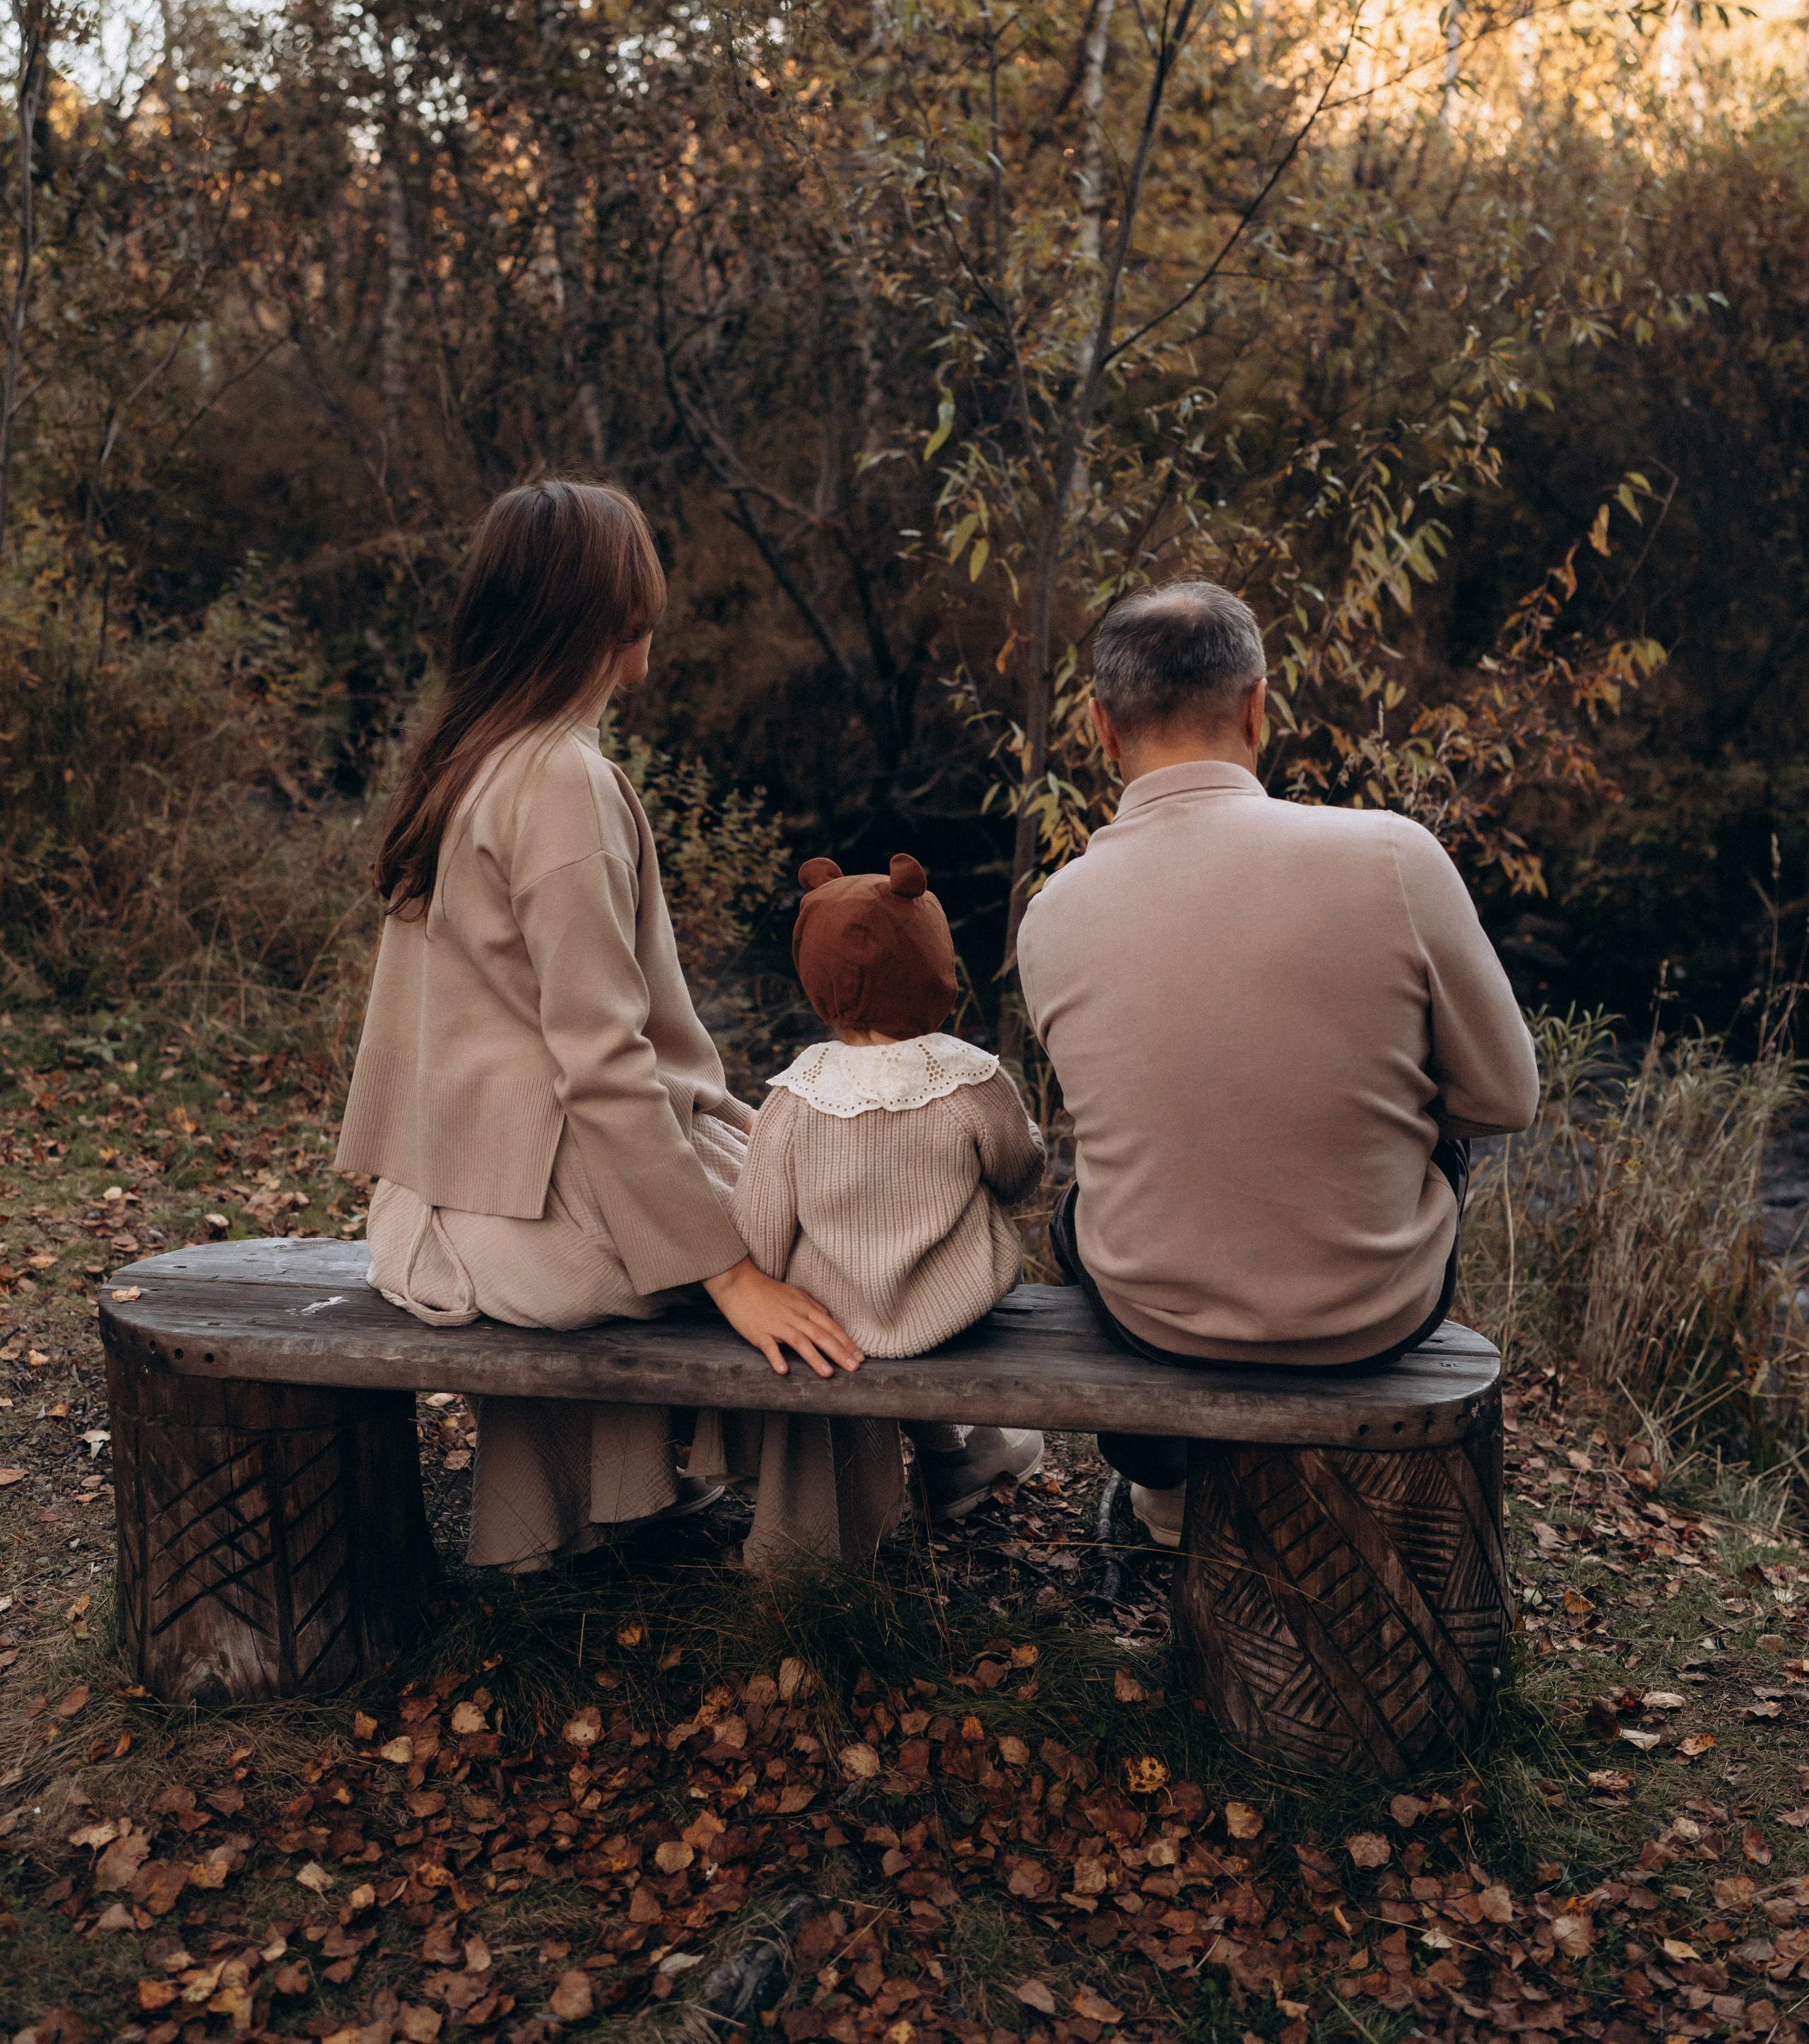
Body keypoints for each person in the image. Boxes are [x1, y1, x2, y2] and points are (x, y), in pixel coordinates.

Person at [334, 478, 863, 1572]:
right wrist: (729, 1275)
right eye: (641, 610)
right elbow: (606, 1064)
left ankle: (574, 1519)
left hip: (442, 1203)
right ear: (610, 621)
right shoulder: (562, 779)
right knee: (848, 1235)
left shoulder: (462, 759)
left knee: (773, 1169)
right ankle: (830, 1550)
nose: (649, 635)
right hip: (523, 1235)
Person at [1015, 580, 1539, 1549]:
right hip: (1374, 1319)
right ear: (1259, 705)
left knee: (1076, 1211)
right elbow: (1507, 1097)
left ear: (1099, 725)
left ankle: (1165, 1502)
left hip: (1155, 1321)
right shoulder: (1393, 856)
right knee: (1435, 1135)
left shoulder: (1053, 912)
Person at [727, 852, 1046, 1563]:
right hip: (956, 1308)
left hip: (834, 1319)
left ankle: (918, 1473)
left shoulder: (795, 1095)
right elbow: (1019, 1173)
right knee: (958, 1262)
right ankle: (961, 1451)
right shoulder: (970, 1077)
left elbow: (761, 1225)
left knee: (836, 1301)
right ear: (935, 967)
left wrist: (762, 1290)